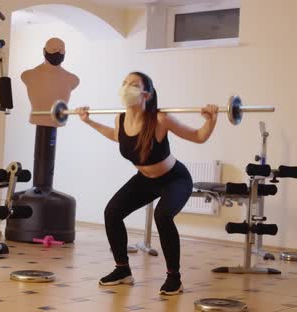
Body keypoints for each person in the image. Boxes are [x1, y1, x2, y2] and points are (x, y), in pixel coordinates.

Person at [76, 72, 219, 295]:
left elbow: (199, 136)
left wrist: (210, 120)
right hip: (145, 180)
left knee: (162, 216)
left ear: (147, 94)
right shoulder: (120, 118)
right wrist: (89, 121)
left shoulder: (161, 119)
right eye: (124, 83)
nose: (126, 87)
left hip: (175, 179)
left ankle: (174, 278)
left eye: (133, 85)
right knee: (112, 212)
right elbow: (117, 136)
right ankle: (122, 270)